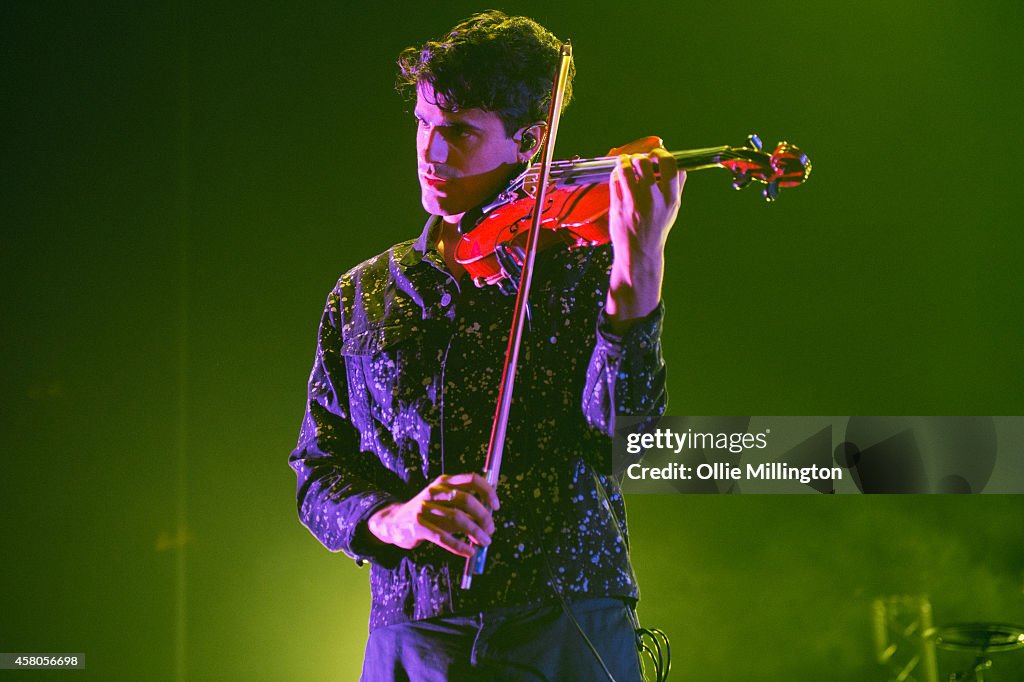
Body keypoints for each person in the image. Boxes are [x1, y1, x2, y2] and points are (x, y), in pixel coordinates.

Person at [289, 10, 684, 680]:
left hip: (566, 618)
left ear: (530, 142)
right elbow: (316, 473)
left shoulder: (585, 262)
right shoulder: (362, 295)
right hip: (413, 631)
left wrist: (638, 264)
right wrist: (397, 518)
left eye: (461, 133)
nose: (431, 152)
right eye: (423, 123)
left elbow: (628, 438)